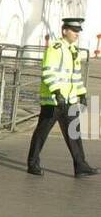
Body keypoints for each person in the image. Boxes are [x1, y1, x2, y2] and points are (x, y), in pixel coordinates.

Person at [27, 17, 98, 178]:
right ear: (64, 31)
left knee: (74, 133)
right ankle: (32, 163)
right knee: (41, 133)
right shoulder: (55, 48)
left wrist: (81, 93)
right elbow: (48, 72)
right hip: (53, 101)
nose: (76, 34)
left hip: (70, 101)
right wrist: (57, 92)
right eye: (74, 31)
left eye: (78, 31)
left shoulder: (73, 50)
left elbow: (75, 76)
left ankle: (81, 166)